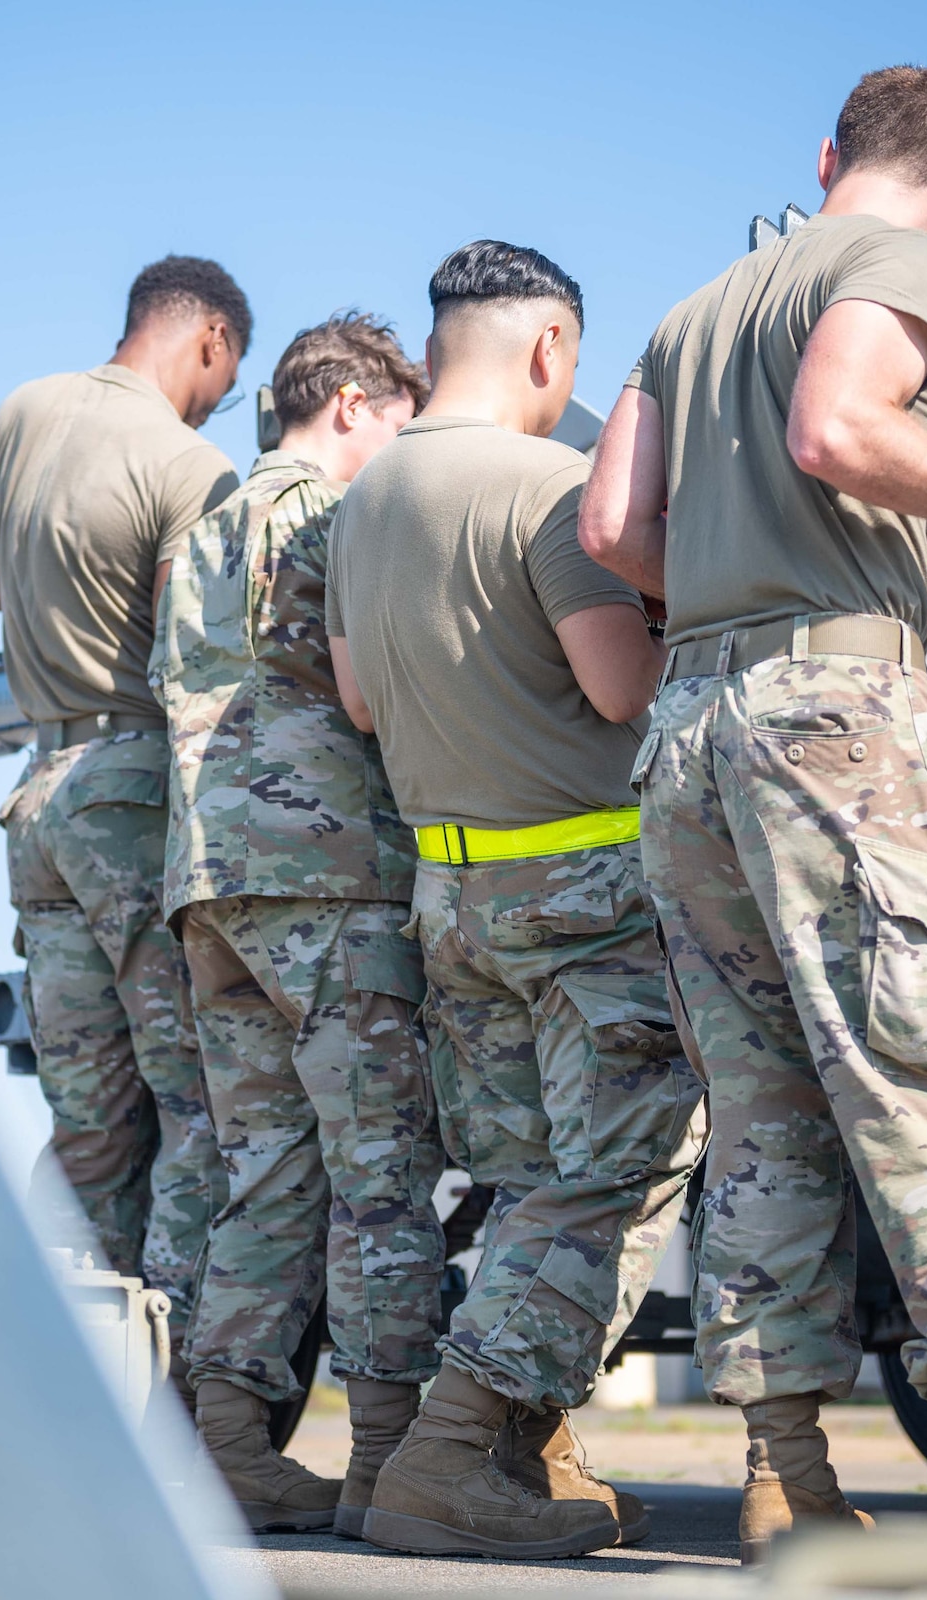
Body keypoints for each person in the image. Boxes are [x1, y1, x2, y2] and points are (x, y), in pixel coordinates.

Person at [578, 67, 927, 1553]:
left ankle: (786, 1478)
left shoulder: (694, 313)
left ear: (825, 156)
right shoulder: (907, 261)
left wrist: (736, 595)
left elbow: (610, 529)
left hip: (691, 728)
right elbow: (834, 426)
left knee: (763, 1113)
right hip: (839, 713)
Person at [325, 242, 708, 1560]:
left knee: (529, 1181)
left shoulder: (363, 504)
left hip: (452, 889)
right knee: (615, 1176)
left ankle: (523, 1457)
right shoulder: (552, 489)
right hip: (584, 890)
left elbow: (364, 705)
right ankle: (445, 1459)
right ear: (548, 348)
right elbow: (619, 692)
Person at [149, 313, 442, 1536]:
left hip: (211, 882)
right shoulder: (329, 514)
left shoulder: (201, 525)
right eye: (398, 429)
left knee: (263, 1175)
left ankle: (226, 1445)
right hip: (323, 868)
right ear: (349, 404)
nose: (400, 456)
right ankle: (382, 1457)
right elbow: (367, 689)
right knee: (379, 1170)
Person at [0, 255, 248, 1386]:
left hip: (36, 792)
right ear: (211, 345)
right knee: (196, 1108)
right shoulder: (191, 464)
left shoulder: (21, 410)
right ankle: (176, 1406)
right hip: (135, 787)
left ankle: (31, 1380)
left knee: (86, 1119)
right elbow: (202, 655)